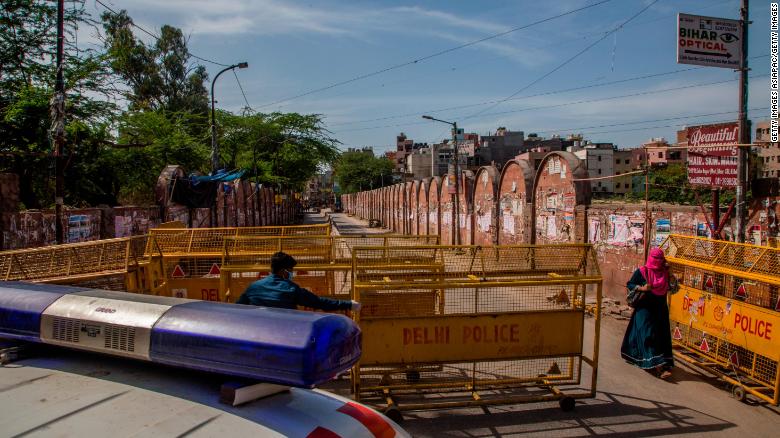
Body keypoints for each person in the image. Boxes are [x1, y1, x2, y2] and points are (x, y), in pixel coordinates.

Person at [237, 251, 361, 312]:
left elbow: (237, 308)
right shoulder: (291, 289)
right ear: (283, 271)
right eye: (291, 270)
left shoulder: (253, 287)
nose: (292, 273)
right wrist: (349, 304)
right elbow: (319, 302)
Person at [620, 248, 674, 379]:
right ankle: (659, 368)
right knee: (648, 334)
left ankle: (660, 361)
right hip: (644, 309)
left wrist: (671, 274)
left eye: (659, 259)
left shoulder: (665, 273)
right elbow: (630, 284)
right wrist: (642, 288)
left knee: (661, 335)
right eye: (655, 259)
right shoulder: (642, 271)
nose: (657, 262)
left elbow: (673, 288)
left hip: (660, 308)